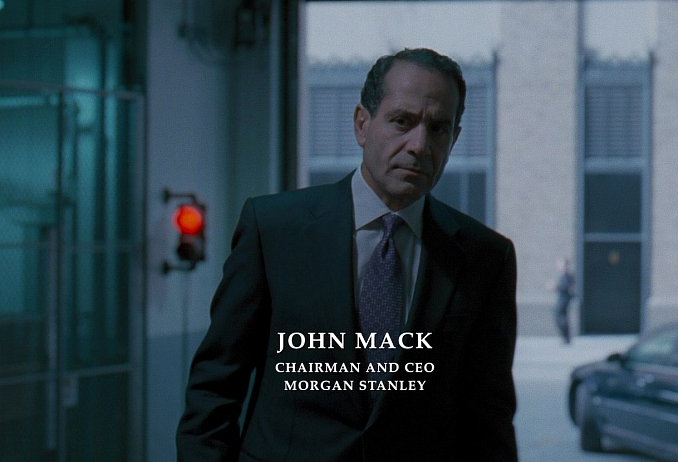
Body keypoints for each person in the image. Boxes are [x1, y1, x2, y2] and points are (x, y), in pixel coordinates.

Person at [176, 48, 518, 461]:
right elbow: (215, 388)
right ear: (362, 124)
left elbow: (489, 419)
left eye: (438, 128)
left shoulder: (485, 257)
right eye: (402, 121)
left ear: (454, 139)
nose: (419, 145)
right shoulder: (275, 230)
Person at [555, 258, 575, 345]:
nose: (558, 266)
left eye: (560, 264)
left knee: (561, 318)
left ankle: (566, 337)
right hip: (563, 299)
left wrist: (556, 287)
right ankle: (566, 338)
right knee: (561, 318)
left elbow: (567, 287)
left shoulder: (567, 275)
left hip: (564, 299)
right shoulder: (565, 275)